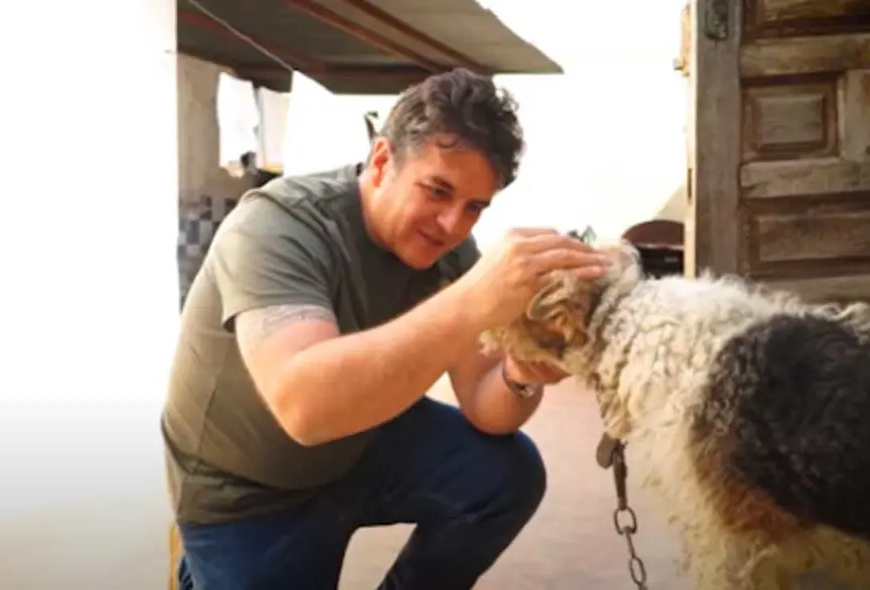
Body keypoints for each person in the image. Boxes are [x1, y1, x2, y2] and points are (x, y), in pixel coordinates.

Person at [161, 67, 610, 590]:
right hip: (247, 491)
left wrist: (521, 372)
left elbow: (488, 409)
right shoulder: (277, 225)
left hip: (359, 446)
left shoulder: (450, 252)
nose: (453, 226)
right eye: (437, 191)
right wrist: (471, 300)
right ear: (380, 161)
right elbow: (304, 408)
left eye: (474, 208)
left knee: (506, 475)